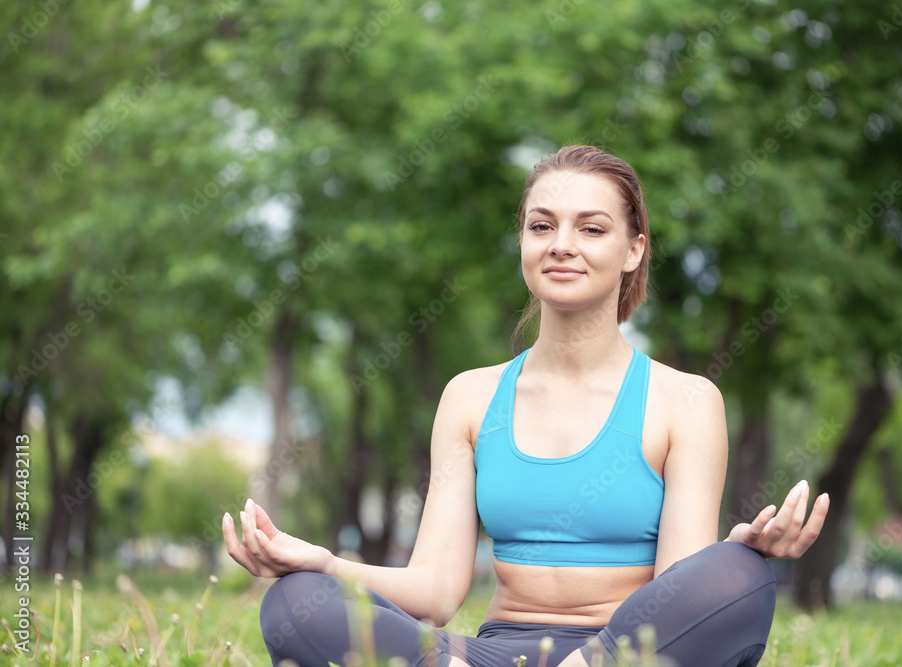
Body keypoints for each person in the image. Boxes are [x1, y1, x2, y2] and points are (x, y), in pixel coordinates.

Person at [222, 145, 829, 667]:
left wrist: (732, 555)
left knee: (739, 576)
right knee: (294, 601)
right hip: (484, 656)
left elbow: (678, 593)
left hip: (622, 655)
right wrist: (324, 563)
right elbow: (434, 593)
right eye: (542, 226)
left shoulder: (687, 401)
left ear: (633, 250)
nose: (562, 245)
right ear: (523, 242)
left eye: (591, 229)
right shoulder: (471, 396)